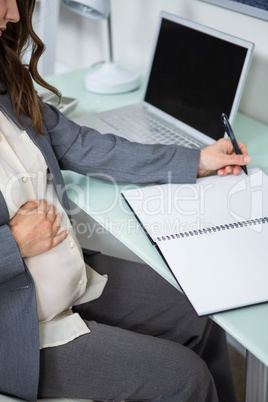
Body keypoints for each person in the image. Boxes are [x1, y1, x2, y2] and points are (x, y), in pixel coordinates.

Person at [0, 1, 251, 401]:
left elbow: (83, 145)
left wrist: (195, 160)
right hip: (16, 329)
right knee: (186, 378)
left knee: (202, 312)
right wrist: (12, 245)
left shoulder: (3, 77)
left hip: (67, 273)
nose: (14, 14)